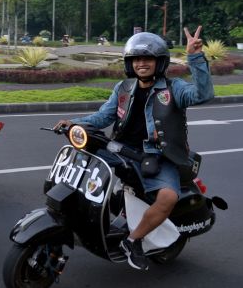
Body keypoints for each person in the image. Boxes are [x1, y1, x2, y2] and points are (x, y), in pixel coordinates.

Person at [54, 27, 214, 271]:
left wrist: (195, 57)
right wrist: (75, 123)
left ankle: (133, 241)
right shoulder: (124, 88)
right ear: (130, 63)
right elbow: (102, 117)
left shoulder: (174, 89)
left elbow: (203, 94)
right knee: (84, 167)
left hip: (157, 157)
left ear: (159, 62)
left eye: (147, 59)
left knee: (168, 197)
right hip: (120, 149)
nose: (142, 63)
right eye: (136, 59)